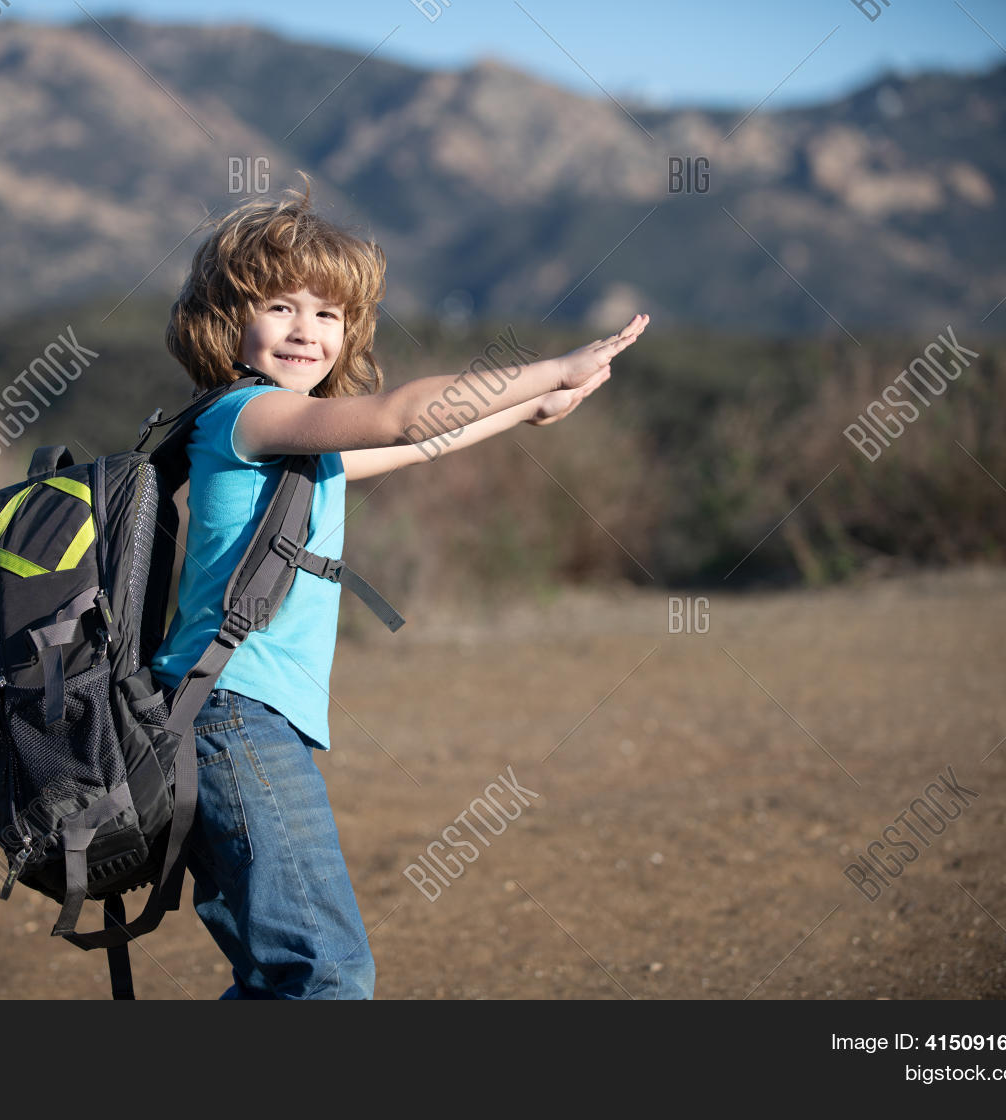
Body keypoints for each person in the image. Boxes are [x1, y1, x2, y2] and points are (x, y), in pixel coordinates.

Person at [149, 174, 648, 999]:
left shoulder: (294, 441)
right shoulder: (247, 415)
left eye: (329, 313)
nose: (307, 329)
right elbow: (400, 416)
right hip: (233, 715)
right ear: (224, 322)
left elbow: (422, 444)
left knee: (286, 974)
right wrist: (552, 364)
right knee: (327, 973)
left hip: (236, 718)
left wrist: (530, 410)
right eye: (280, 306)